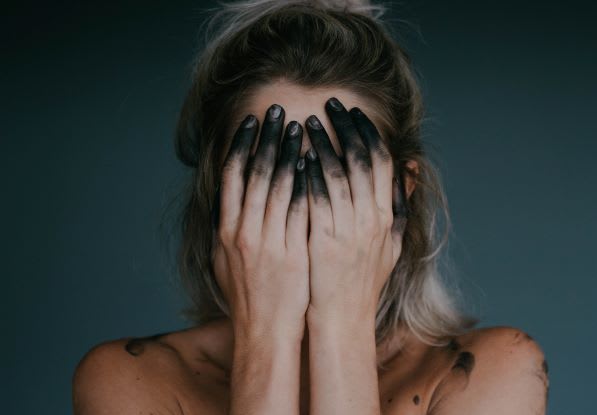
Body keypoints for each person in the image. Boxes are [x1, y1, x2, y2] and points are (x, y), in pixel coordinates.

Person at [72, 1, 549, 414]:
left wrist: (340, 325)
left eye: (338, 175)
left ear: (400, 194)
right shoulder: (130, 380)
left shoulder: (492, 372)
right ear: (220, 192)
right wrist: (267, 334)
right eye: (269, 171)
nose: (302, 211)